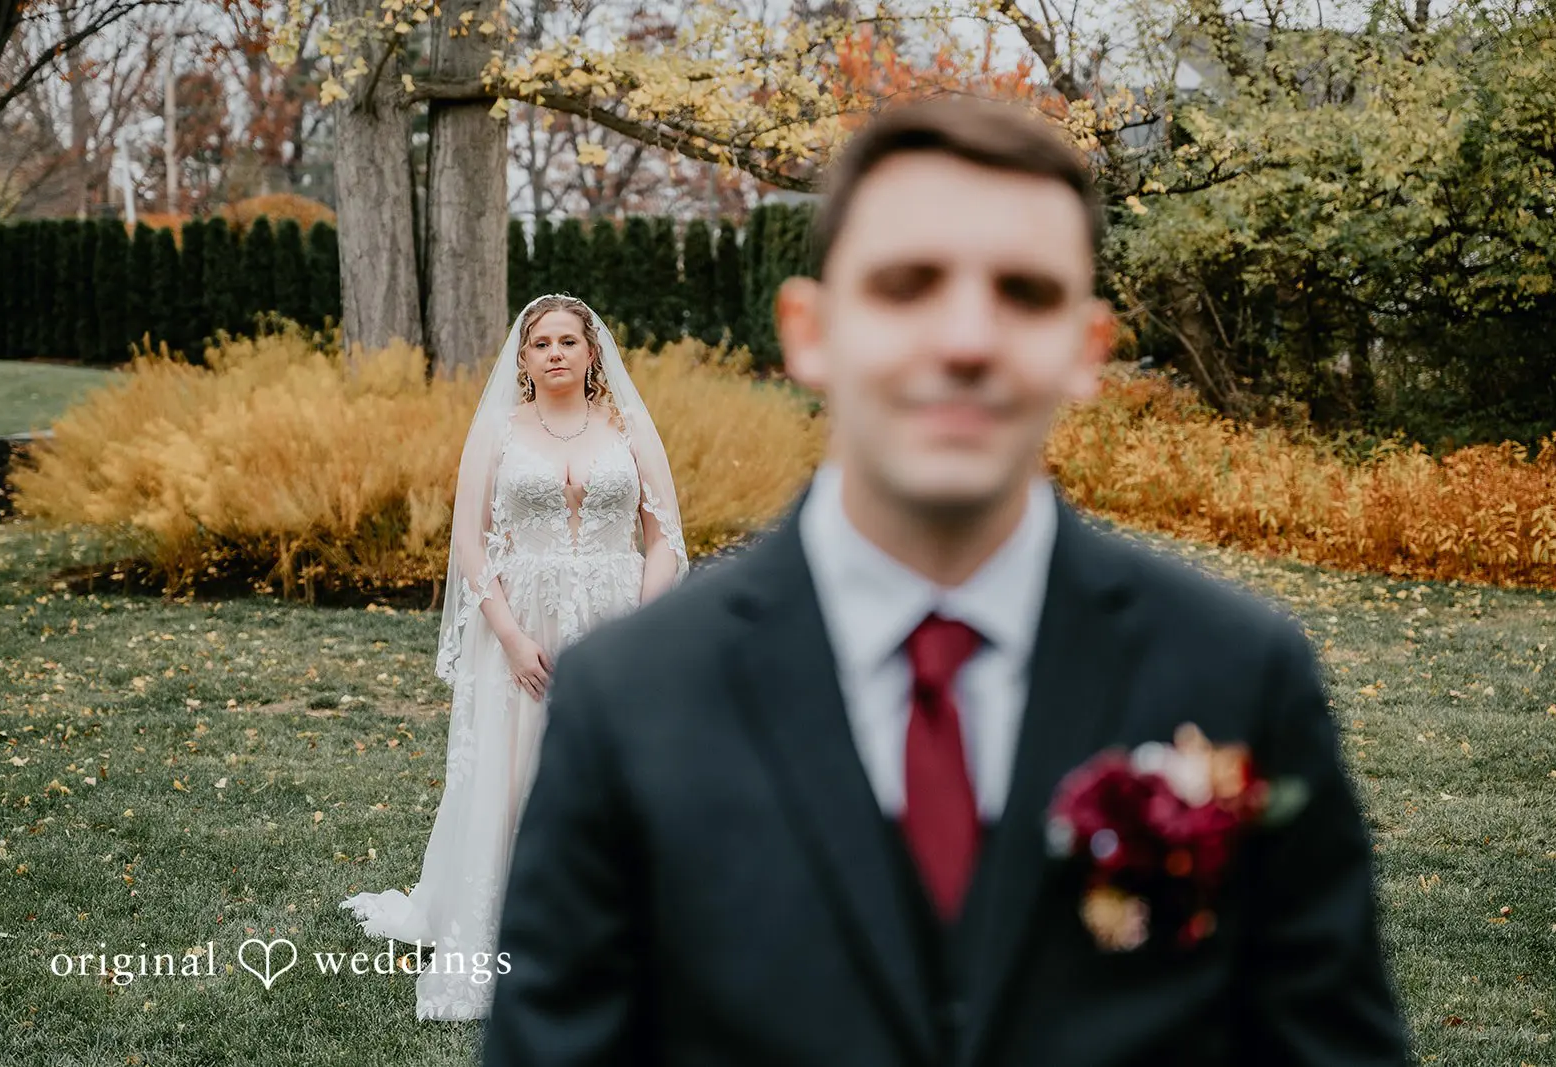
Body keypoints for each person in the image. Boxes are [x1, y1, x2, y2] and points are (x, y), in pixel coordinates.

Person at [482, 99, 1412, 1065]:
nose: (967, 340)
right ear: (809, 331)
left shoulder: (1238, 672)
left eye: (1025, 292)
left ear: (1087, 348)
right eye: (907, 285)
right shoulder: (630, 695)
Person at [339, 293, 687, 1021]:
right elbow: (469, 543)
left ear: (592, 353)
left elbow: (664, 538)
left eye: (568, 341)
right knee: (514, 770)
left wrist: (642, 631)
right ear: (523, 359)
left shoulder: (627, 427)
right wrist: (508, 634)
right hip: (522, 624)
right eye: (541, 343)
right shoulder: (498, 431)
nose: (555, 353)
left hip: (616, 621)